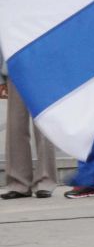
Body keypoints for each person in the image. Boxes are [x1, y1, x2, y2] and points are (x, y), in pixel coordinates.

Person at [1, 48, 58, 199]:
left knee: (44, 126)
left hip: (45, 66)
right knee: (15, 125)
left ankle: (45, 181)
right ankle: (18, 183)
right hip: (15, 65)